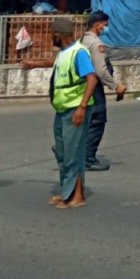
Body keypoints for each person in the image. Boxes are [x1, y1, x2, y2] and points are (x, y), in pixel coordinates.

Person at [48, 18, 99, 209]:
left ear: (58, 35)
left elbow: (92, 79)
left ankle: (77, 196)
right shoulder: (64, 52)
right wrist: (35, 63)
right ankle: (67, 191)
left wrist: (82, 107)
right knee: (63, 152)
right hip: (62, 109)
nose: (50, 37)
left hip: (75, 109)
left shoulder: (79, 52)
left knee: (73, 153)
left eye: (51, 33)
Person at [80, 11, 126, 171]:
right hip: (94, 87)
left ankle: (67, 148)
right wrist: (116, 85)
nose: (106, 28)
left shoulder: (82, 41)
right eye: (105, 25)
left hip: (81, 86)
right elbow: (101, 70)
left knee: (85, 122)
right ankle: (88, 159)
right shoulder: (95, 43)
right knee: (97, 121)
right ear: (97, 25)